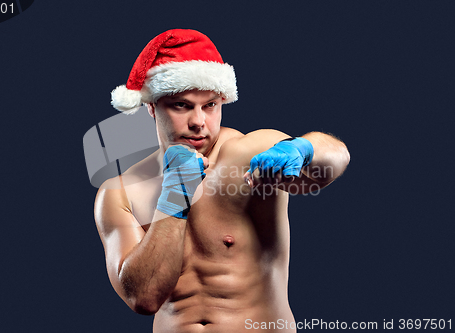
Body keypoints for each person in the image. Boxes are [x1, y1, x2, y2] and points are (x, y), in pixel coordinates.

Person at [94, 29, 350, 332]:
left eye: (210, 105)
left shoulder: (247, 153)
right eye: (182, 105)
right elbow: (142, 298)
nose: (199, 122)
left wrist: (303, 149)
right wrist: (176, 192)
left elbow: (336, 157)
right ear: (151, 106)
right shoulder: (121, 192)